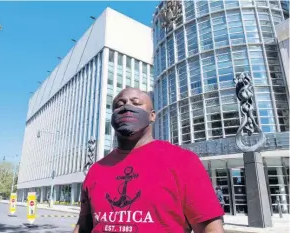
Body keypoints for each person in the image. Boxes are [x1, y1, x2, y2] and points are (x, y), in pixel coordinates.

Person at [73, 87, 224, 233]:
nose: (127, 107)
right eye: (120, 105)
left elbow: (210, 228)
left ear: (152, 115)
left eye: (136, 103)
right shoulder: (96, 170)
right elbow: (83, 226)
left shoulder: (183, 161)